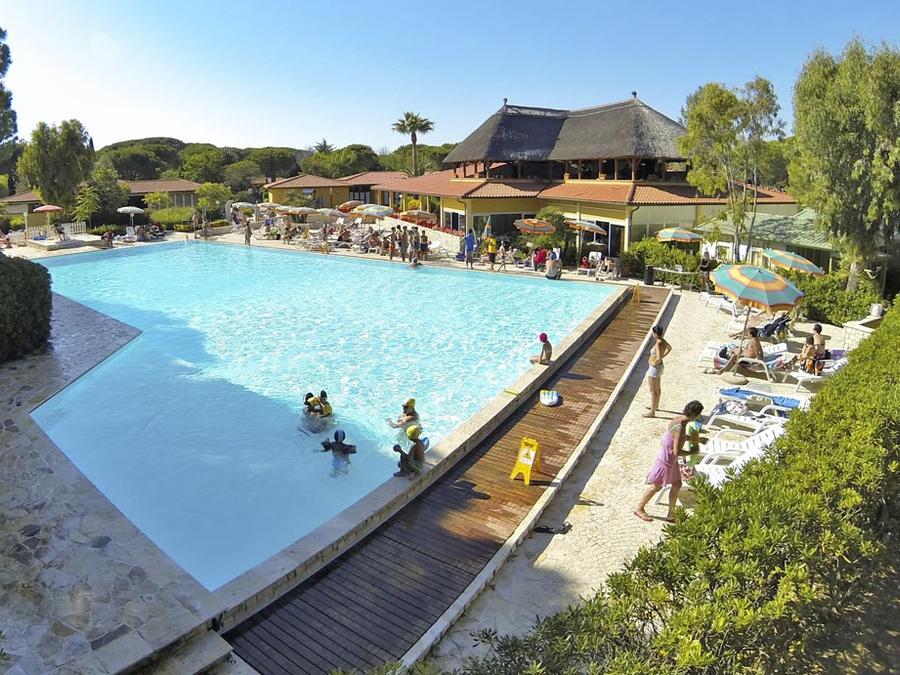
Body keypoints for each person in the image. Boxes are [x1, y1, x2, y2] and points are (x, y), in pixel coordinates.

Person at [634, 400, 704, 523]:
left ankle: (671, 514)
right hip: (667, 461)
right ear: (694, 414)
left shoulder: (678, 419)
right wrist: (692, 451)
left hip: (670, 460)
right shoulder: (681, 427)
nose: (699, 417)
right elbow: (676, 451)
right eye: (699, 414)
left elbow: (678, 437)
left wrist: (697, 439)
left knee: (677, 484)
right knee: (656, 486)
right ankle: (639, 508)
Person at [643, 325, 671, 418]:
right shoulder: (662, 340)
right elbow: (669, 348)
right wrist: (662, 357)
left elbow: (658, 357)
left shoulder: (658, 343)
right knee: (658, 388)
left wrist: (653, 362)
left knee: (653, 390)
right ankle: (655, 406)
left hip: (654, 369)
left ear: (655, 333)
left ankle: (652, 412)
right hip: (660, 367)